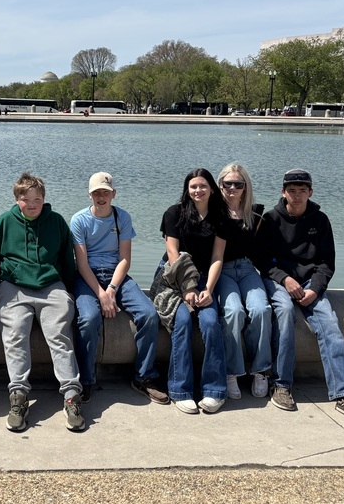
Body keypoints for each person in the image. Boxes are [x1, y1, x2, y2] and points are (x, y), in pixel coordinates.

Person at [256, 169, 344, 422]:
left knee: (330, 325)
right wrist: (285, 279)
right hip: (279, 280)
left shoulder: (320, 220)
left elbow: (326, 263)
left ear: (311, 192)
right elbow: (262, 260)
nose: (297, 196)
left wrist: (315, 289)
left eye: (302, 191)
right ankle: (282, 385)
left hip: (310, 282)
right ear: (283, 192)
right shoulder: (270, 219)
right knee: (285, 314)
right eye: (291, 191)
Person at [0, 171, 85, 432]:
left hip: (51, 285)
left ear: (44, 199)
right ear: (17, 199)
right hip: (13, 287)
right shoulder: (4, 221)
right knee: (15, 332)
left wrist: (67, 289)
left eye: (37, 199)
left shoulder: (57, 221)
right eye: (26, 199)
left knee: (59, 334)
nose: (32, 204)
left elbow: (67, 260)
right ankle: (18, 396)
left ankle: (71, 395)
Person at [70, 172, 167, 405]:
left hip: (116, 274)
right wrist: (101, 294)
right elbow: (81, 264)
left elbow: (125, 259)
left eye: (105, 192)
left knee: (149, 314)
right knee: (89, 318)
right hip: (88, 276)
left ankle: (144, 376)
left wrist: (112, 289)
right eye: (96, 193)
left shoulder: (122, 217)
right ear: (89, 195)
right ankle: (86, 380)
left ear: (113, 193)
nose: (101, 197)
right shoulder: (79, 220)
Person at [159, 168, 228, 414]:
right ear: (187, 190)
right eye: (193, 187)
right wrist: (187, 287)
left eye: (202, 186)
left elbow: (218, 256)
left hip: (204, 279)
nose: (197, 190)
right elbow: (172, 253)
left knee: (210, 322)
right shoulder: (174, 213)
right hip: (176, 277)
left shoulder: (220, 217)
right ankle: (180, 390)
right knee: (183, 320)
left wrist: (208, 289)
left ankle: (215, 390)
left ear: (212, 188)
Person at [215, 164, 273, 401]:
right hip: (223, 270)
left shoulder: (256, 215)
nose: (232, 188)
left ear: (245, 187)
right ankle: (232, 372)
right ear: (219, 185)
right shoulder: (214, 214)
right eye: (227, 184)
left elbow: (263, 253)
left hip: (248, 268)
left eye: (237, 184)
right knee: (233, 311)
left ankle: (261, 370)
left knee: (261, 309)